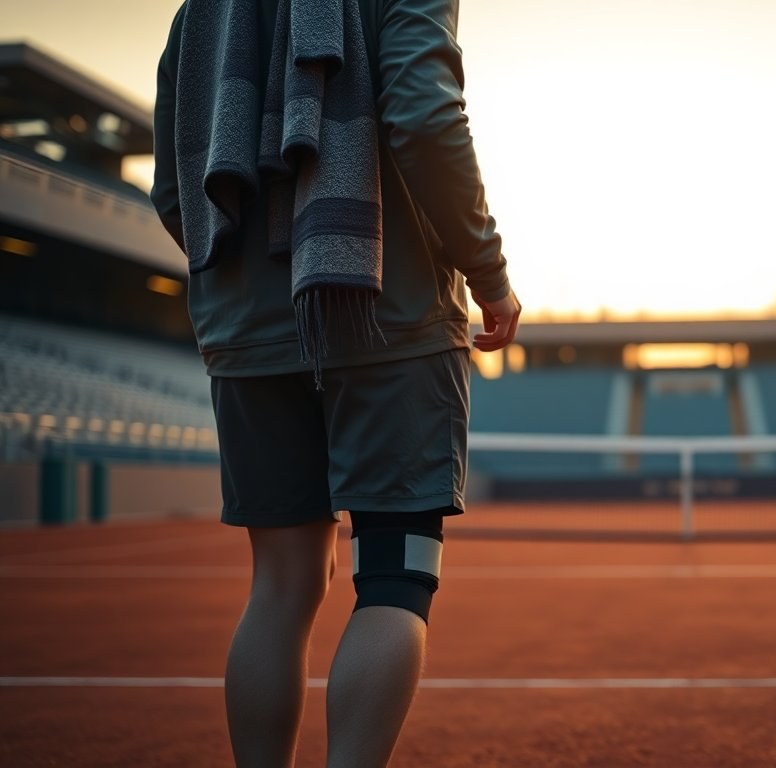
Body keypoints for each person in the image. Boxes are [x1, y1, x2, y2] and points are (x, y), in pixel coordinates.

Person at [151, 1, 519, 765]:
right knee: (396, 576)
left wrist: (243, 284)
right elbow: (422, 114)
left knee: (279, 588)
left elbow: (172, 175)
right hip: (387, 316)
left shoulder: (205, 7)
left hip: (247, 331)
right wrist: (488, 272)